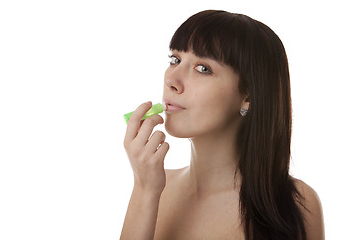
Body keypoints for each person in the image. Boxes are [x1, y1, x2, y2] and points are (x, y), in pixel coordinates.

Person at [121, 10, 324, 240]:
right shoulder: (153, 187)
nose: (171, 80)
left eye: (203, 69)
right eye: (175, 60)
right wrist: (145, 189)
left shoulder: (296, 205)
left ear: (248, 95)